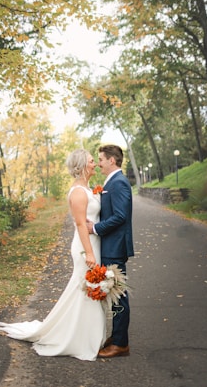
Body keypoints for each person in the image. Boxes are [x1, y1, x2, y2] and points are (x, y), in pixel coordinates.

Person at [0, 148, 107, 361]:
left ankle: (87, 335)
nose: (95, 164)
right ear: (83, 165)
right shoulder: (77, 192)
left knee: (87, 291)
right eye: (92, 161)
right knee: (86, 290)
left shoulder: (88, 188)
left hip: (94, 243)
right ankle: (78, 339)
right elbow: (80, 224)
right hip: (85, 247)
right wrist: (90, 254)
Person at [87, 144, 134, 358]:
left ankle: (121, 344)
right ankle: (116, 338)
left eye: (101, 159)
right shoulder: (112, 182)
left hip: (115, 248)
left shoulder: (119, 183)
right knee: (114, 294)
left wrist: (95, 228)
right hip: (110, 246)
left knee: (118, 296)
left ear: (112, 161)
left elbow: (120, 216)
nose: (98, 164)